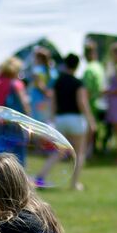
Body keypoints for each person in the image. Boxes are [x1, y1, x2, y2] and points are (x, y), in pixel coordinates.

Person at [46, 53, 96, 191]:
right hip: (76, 120)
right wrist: (91, 120)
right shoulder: (78, 83)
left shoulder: (58, 81)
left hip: (60, 119)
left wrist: (52, 117)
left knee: (59, 151)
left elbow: (53, 102)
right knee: (79, 152)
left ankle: (41, 175)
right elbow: (82, 102)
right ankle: (74, 184)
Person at [81, 41, 106, 156]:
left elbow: (87, 91)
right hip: (98, 102)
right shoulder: (99, 67)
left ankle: (86, 152)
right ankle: (91, 150)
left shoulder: (89, 69)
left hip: (90, 103)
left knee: (88, 129)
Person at [28, 47, 55, 125]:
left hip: (38, 99)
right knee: (47, 122)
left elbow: (40, 85)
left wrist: (46, 93)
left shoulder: (37, 70)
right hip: (48, 100)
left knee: (37, 123)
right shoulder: (52, 70)